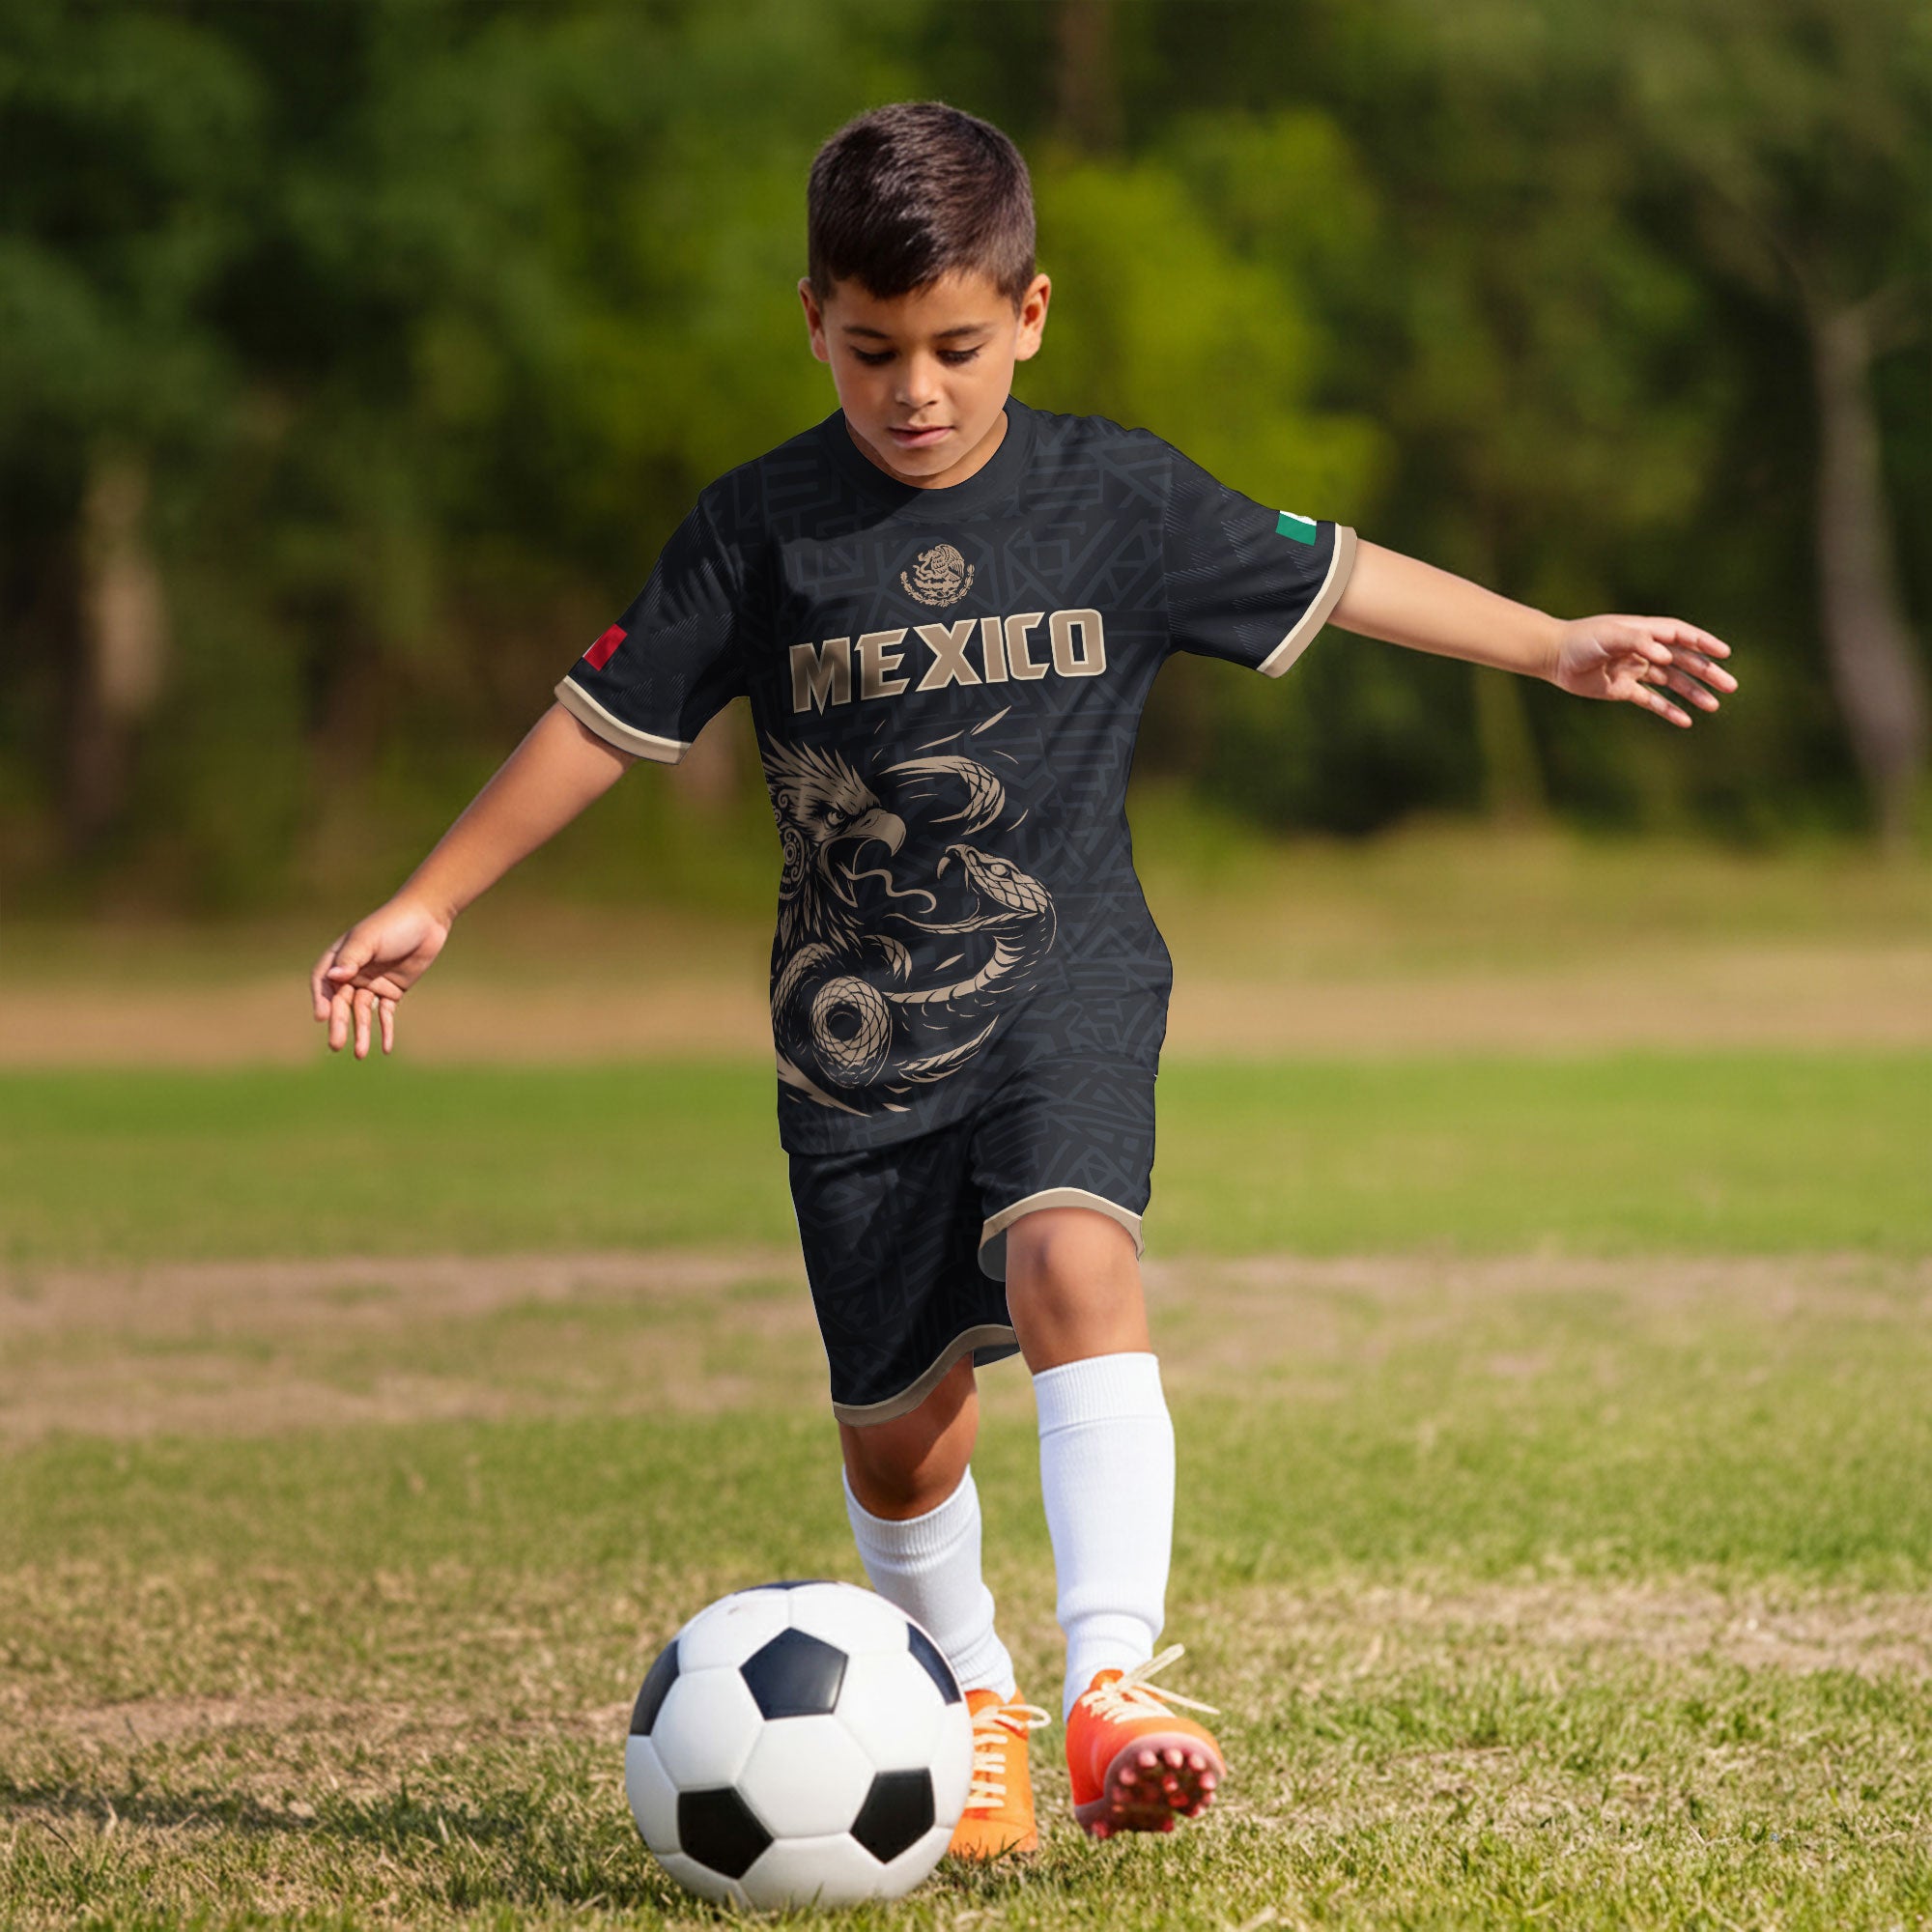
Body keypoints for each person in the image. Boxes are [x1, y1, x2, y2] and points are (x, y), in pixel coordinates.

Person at [310, 100, 1736, 1859]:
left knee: (1077, 1254)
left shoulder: (1115, 497)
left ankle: (1110, 1686)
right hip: (856, 1039)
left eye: (959, 349)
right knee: (904, 1439)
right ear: (815, 324)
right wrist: (430, 896)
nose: (918, 389)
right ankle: (971, 1692)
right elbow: (602, 724)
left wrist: (1556, 643)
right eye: (874, 350)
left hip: (1070, 980)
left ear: (1031, 316)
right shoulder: (756, 530)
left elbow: (1343, 576)